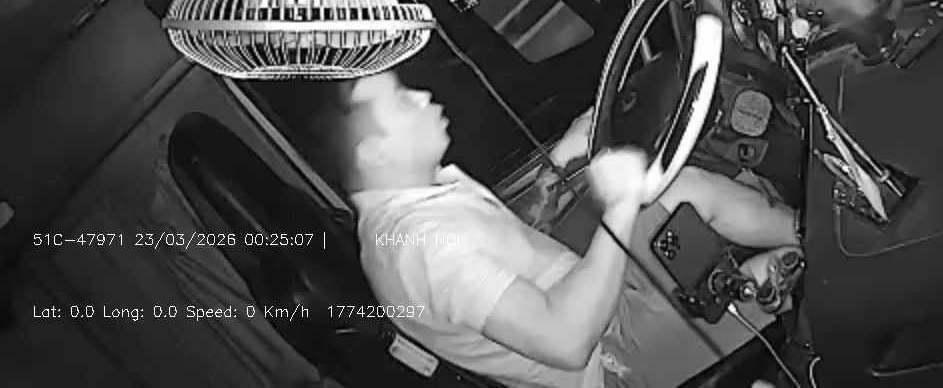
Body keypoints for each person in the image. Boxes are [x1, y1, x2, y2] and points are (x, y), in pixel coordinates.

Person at [319, 70, 801, 388]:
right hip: (611, 364)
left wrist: (558, 163)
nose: (421, 96)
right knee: (775, 275)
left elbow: (506, 243)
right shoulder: (420, 246)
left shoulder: (420, 199)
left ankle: (811, 230)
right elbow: (569, 342)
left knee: (682, 189)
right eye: (401, 103)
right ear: (376, 153)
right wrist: (620, 204)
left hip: (594, 299)